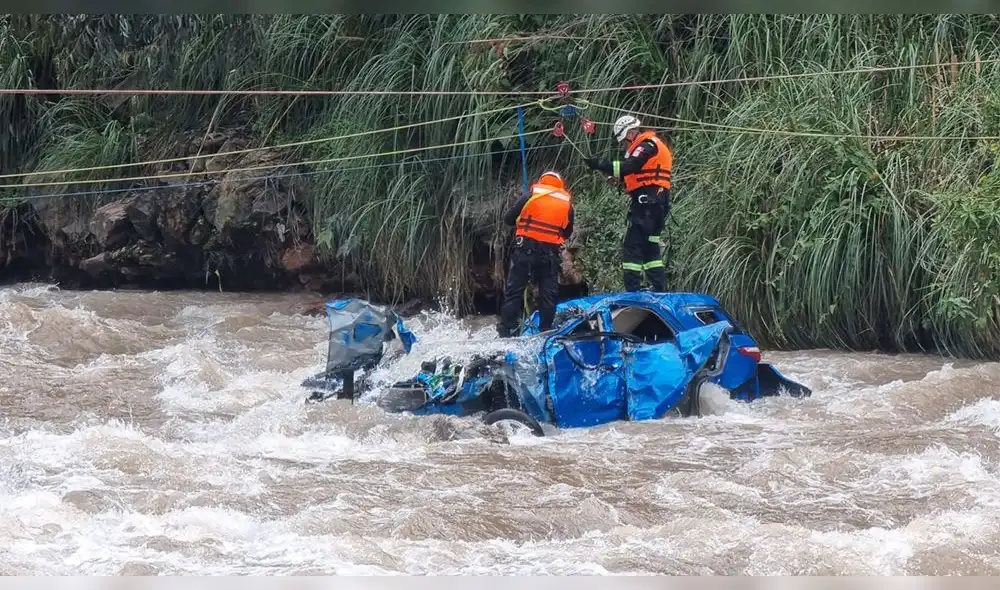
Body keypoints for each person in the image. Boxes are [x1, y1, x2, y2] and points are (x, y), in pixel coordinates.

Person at [583, 114, 672, 292]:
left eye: (624, 141)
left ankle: (633, 291)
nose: (625, 145)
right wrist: (620, 179)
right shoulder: (651, 146)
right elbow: (639, 172)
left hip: (647, 204)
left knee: (632, 246)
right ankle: (660, 289)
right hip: (657, 204)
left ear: (630, 134)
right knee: (650, 248)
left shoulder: (646, 145)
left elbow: (629, 166)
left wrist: (600, 164)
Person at [496, 171, 575, 338]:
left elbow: (509, 219)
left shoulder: (531, 194)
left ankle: (506, 330)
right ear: (560, 184)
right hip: (549, 255)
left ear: (542, 181)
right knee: (548, 294)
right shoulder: (566, 202)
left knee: (514, 291)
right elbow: (567, 232)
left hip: (525, 251)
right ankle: (545, 331)